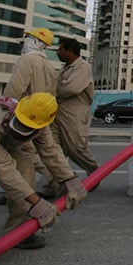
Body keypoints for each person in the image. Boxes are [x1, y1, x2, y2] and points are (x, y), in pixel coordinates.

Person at [0, 93, 88, 249]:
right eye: (20, 125)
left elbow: (50, 151)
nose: (21, 132)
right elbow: (4, 171)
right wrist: (37, 204)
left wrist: (70, 180)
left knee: (25, 166)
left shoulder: (41, 123)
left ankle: (17, 231)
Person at [0, 28, 60, 204]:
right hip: (42, 116)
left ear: (34, 42)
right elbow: (52, 94)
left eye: (28, 38)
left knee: (22, 153)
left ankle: (25, 190)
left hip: (23, 115)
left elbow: (15, 89)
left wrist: (3, 108)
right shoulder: (49, 66)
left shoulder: (26, 61)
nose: (24, 41)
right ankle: (54, 179)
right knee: (44, 151)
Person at [52, 38, 100, 181]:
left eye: (60, 49)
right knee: (55, 150)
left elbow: (71, 88)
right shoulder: (65, 68)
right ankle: (55, 184)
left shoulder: (82, 67)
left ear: (69, 51)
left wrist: (53, 91)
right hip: (58, 112)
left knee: (75, 148)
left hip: (74, 113)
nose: (58, 52)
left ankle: (95, 173)